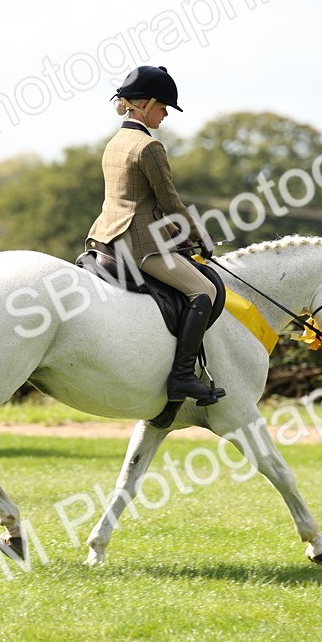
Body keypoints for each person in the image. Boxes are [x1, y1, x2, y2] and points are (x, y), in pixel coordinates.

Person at [86, 65, 224, 406]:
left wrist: (177, 233)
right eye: (163, 106)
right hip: (138, 244)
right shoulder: (149, 147)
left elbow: (139, 204)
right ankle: (182, 377)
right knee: (203, 290)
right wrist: (199, 235)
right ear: (145, 104)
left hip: (104, 234)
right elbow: (169, 202)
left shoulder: (115, 142)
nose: (165, 114)